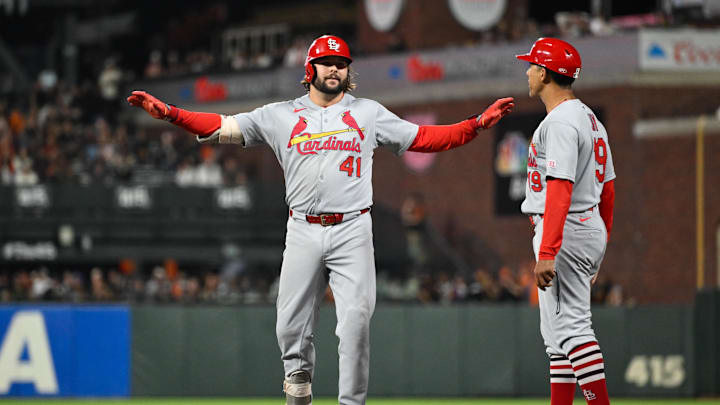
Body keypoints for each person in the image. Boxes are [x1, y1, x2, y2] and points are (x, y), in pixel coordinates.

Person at [128, 34, 514, 405]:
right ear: (309, 68)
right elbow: (223, 126)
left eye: (341, 64)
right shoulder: (279, 115)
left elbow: (426, 137)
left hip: (353, 228)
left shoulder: (368, 112)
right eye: (326, 62)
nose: (334, 69)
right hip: (303, 228)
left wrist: (476, 124)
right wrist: (171, 114)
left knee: (356, 326)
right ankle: (298, 388)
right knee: (288, 328)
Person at [516, 38, 615, 405]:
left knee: (573, 331)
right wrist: (600, 244)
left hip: (566, 228)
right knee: (556, 337)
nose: (527, 71)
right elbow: (609, 190)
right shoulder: (590, 120)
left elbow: (560, 188)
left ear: (543, 73)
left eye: (531, 66)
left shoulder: (560, 122)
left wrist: (548, 249)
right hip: (587, 226)